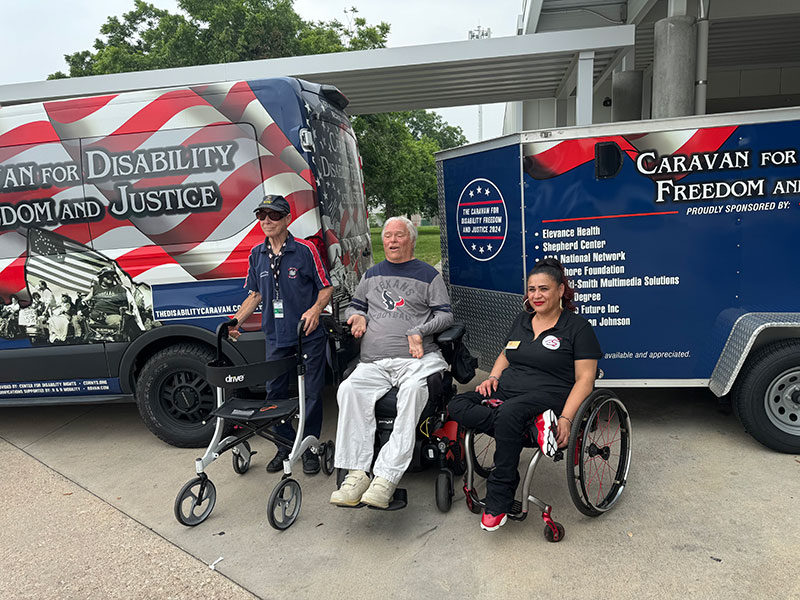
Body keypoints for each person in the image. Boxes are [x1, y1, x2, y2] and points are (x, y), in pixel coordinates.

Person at [447, 257, 602, 531]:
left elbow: (585, 380)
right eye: (531, 289)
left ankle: (499, 497)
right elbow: (507, 353)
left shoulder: (578, 328)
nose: (536, 295)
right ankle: (533, 427)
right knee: (458, 403)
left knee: (508, 413)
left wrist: (566, 418)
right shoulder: (523, 320)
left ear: (561, 291)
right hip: (507, 392)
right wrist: (493, 377)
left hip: (550, 395)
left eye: (543, 289)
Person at [330, 217, 454, 509]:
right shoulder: (371, 275)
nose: (392, 240)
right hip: (374, 361)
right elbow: (355, 307)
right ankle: (357, 474)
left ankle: (386, 476)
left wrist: (419, 330)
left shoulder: (428, 276)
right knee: (348, 390)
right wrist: (356, 317)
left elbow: (445, 316)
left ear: (410, 240)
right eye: (387, 236)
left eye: (399, 235)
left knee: (412, 392)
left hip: (416, 359)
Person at [230, 195, 333, 475]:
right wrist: (236, 321)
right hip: (275, 337)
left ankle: (309, 446)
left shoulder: (305, 250)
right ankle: (285, 446)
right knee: (274, 392)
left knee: (310, 393)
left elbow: (326, 288)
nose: (266, 221)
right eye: (261, 215)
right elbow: (255, 295)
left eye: (273, 215)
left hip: (307, 335)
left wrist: (314, 311)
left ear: (287, 218)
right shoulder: (256, 254)